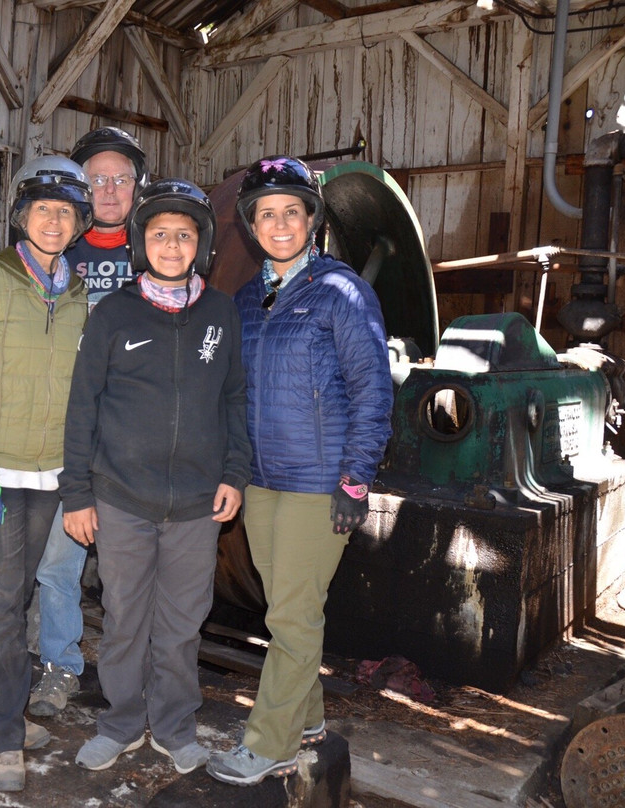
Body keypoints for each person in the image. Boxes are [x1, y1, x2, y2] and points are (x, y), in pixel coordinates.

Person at [205, 156, 393, 785]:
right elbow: (231, 393)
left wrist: (355, 479)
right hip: (261, 483)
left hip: (319, 486)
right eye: (266, 214)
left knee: (290, 615)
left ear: (311, 220)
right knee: (289, 612)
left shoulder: (342, 292)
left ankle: (270, 743)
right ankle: (307, 719)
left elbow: (373, 392)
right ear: (250, 226)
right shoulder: (245, 302)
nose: (279, 224)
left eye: (292, 212)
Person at [60, 179, 252, 774]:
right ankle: (120, 724)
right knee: (123, 621)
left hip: (196, 505)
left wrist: (234, 475)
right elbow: (82, 405)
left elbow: (234, 400)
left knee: (181, 625)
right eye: (161, 234)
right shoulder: (114, 312)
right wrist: (77, 495)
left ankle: (173, 726)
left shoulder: (220, 312)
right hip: (121, 499)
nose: (172, 246)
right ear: (143, 243)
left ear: (202, 244)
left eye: (185, 235)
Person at [0, 155, 93, 792]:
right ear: (22, 216)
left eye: (66, 211)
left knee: (22, 594)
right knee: (2, 602)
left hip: (50, 474)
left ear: (80, 221)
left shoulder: (81, 292)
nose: (55, 221)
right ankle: (3, 735)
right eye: (44, 209)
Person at [29, 127, 149, 717]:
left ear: (137, 187)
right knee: (59, 562)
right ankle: (60, 666)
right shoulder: (54, 254)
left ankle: (134, 677)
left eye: (120, 178)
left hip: (137, 440)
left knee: (133, 569)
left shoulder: (160, 248)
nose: (108, 189)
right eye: (95, 179)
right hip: (68, 436)